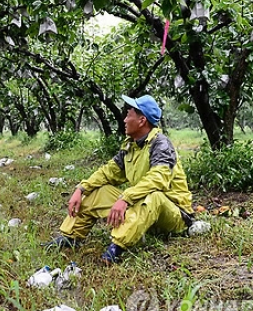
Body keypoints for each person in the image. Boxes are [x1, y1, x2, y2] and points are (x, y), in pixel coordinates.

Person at [43, 94, 194, 264]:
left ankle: (117, 247)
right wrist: (81, 189)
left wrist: (125, 198)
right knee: (97, 190)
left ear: (142, 120)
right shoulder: (131, 145)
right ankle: (71, 238)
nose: (124, 119)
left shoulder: (161, 144)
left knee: (154, 196)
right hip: (143, 210)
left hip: (174, 214)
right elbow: (108, 172)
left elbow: (158, 179)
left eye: (129, 114)